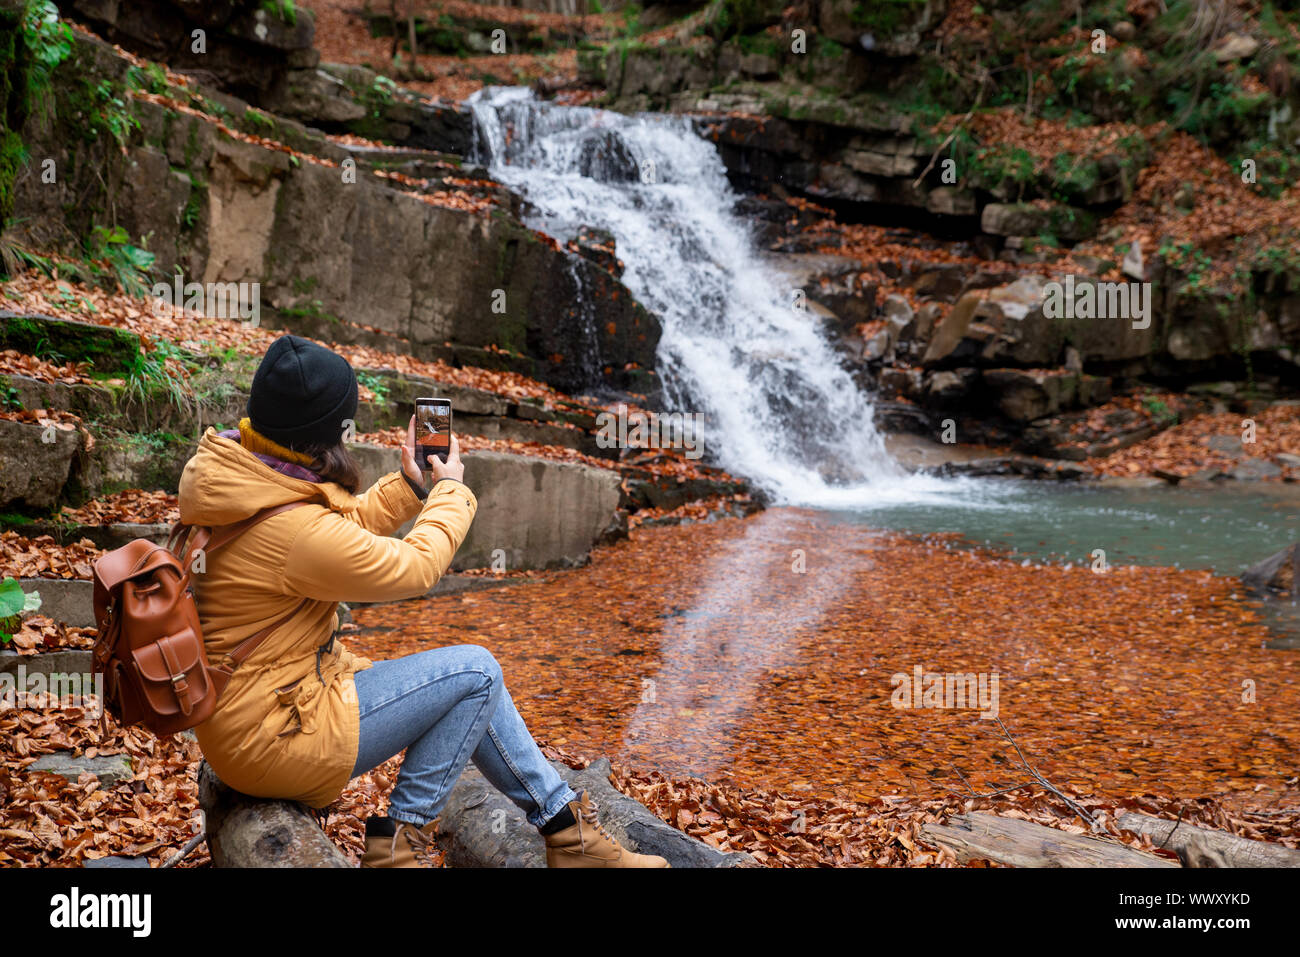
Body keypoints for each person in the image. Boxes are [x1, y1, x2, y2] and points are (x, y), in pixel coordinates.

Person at [179, 334, 667, 868]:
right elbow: (414, 567)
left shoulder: (243, 474)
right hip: (278, 734)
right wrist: (450, 490)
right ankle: (399, 848)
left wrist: (409, 486)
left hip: (256, 716)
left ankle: (567, 833)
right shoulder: (294, 531)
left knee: (473, 685)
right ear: (324, 431)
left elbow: (333, 532)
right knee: (476, 672)